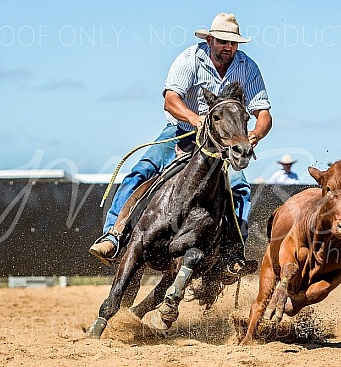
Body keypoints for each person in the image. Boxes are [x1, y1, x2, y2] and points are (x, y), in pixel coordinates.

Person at [89, 13, 272, 272]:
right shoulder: (189, 59)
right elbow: (171, 99)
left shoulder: (248, 68)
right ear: (209, 40)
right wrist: (196, 120)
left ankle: (233, 252)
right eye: (222, 41)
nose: (228, 47)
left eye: (233, 43)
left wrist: (255, 134)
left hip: (222, 143)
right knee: (143, 171)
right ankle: (113, 236)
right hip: (182, 130)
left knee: (239, 188)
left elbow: (263, 113)